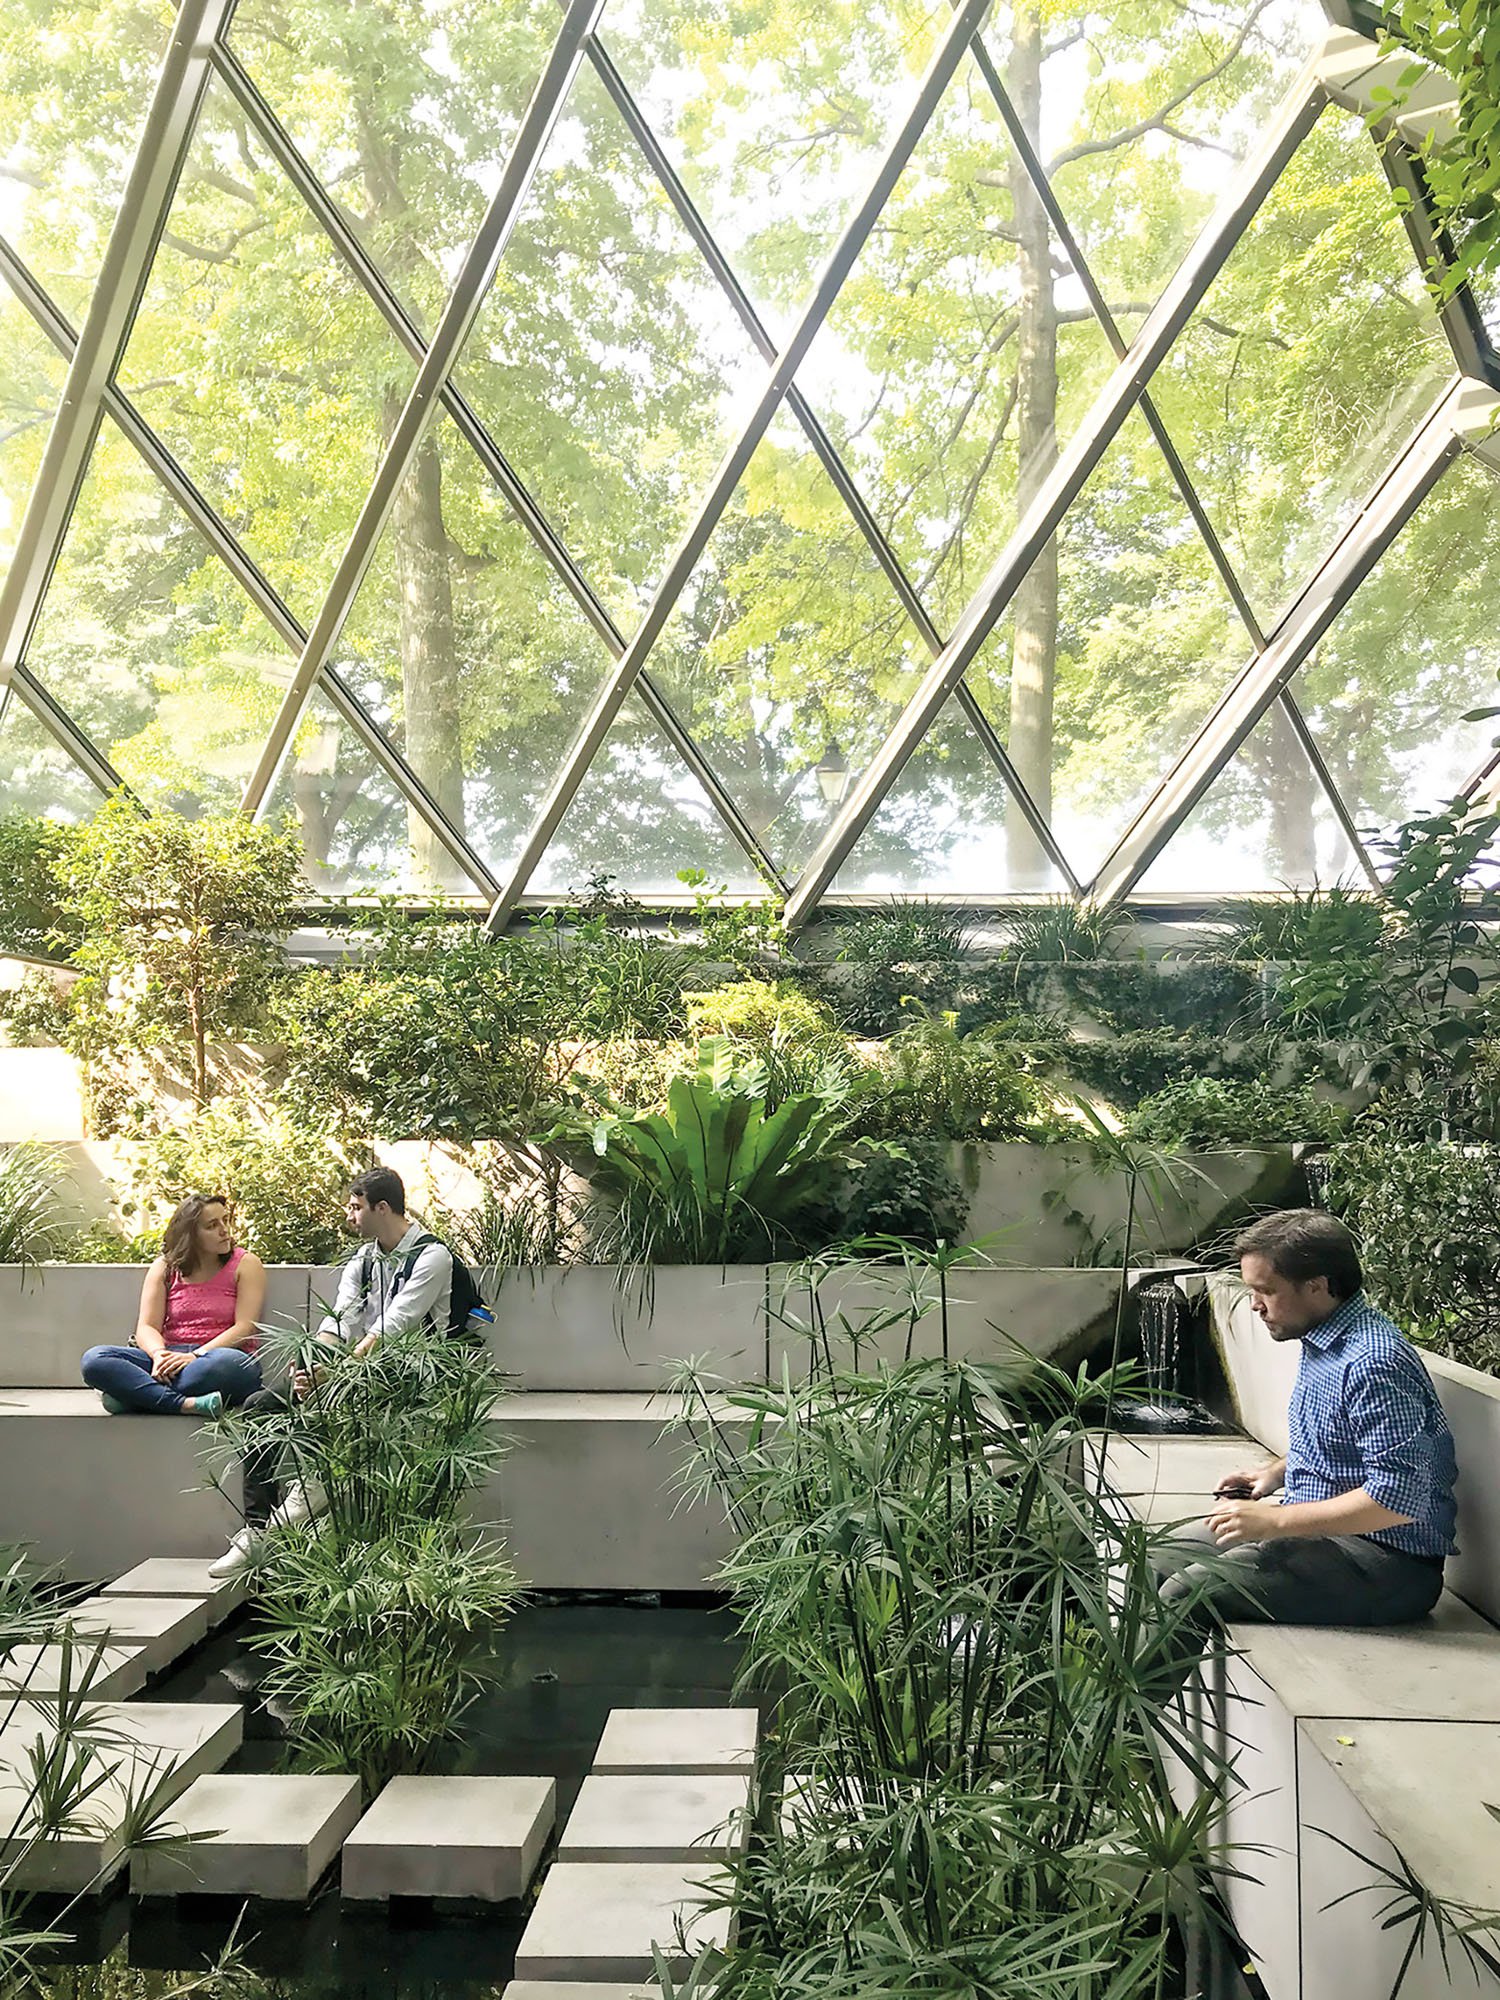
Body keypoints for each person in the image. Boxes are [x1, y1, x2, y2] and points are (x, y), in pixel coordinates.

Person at [1154, 1208, 1457, 1665]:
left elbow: (1397, 1498)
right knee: (1158, 1556)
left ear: (1317, 1286)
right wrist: (1274, 1473)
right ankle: (1116, 1706)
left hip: (1388, 1566)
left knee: (1186, 1592)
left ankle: (1130, 1712)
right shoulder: (1323, 1339)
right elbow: (1341, 1438)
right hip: (1326, 1538)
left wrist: (1273, 1523)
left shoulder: (1374, 1362)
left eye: (1266, 1291)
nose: (1254, 1305)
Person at [209, 1166, 453, 1577]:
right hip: (354, 1367)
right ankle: (257, 1527)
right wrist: (311, 1362)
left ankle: (311, 1490)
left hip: (410, 1373)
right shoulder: (364, 1258)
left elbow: (393, 1326)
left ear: (382, 1208)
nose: (349, 1215)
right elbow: (339, 1321)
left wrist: (336, 1375)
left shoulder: (432, 1255)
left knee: (332, 1398)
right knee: (259, 1405)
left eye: (355, 1207)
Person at [80, 1195, 265, 1418]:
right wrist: (159, 1355)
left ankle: (135, 1394)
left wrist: (196, 1355)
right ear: (190, 1234)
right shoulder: (165, 1267)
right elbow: (147, 1326)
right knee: (95, 1359)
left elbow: (245, 1327)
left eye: (226, 1220)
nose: (224, 1230)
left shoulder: (246, 1263)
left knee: (226, 1364)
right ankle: (184, 1404)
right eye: (212, 1226)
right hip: (169, 1360)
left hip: (218, 1359)